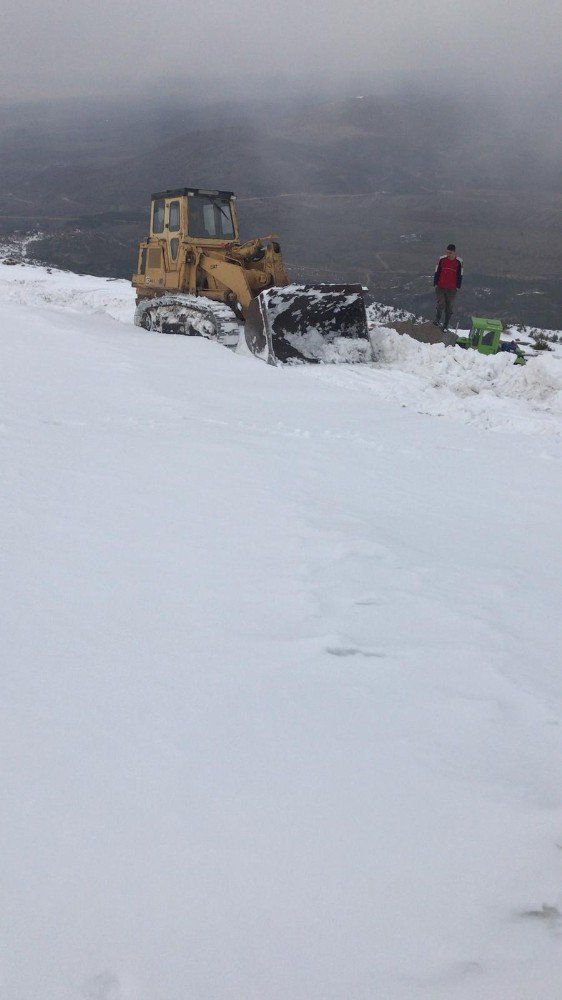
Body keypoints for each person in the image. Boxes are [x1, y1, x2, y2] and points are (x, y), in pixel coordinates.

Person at [433, 243, 463, 331]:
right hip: (440, 286)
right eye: (447, 252)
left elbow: (460, 274)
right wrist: (435, 283)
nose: (448, 254)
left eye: (450, 253)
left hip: (452, 289)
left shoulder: (459, 262)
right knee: (441, 303)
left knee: (449, 307)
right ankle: (437, 319)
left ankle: (445, 325)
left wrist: (458, 286)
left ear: (454, 252)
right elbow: (437, 271)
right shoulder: (442, 259)